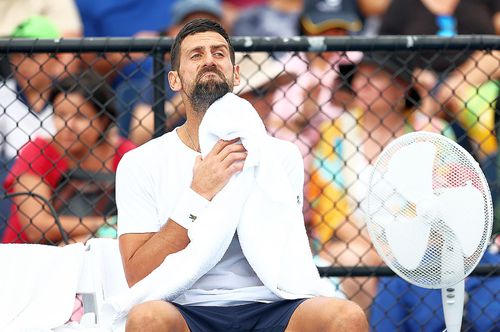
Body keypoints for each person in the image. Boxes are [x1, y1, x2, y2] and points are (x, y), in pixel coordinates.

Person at [116, 18, 368, 331]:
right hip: (185, 307)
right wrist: (198, 195)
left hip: (271, 304)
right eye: (196, 55)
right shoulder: (140, 162)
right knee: (146, 320)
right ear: (175, 80)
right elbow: (136, 274)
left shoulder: (280, 156)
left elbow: (285, 250)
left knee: (347, 318)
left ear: (236, 75)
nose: (209, 59)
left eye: (219, 53)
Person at [306, 52, 456, 313]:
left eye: (376, 76)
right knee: (356, 262)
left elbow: (448, 197)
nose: (362, 83)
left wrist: (402, 243)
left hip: (422, 239)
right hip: (353, 241)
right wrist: (380, 246)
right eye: (359, 76)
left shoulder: (433, 132)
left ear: (401, 86)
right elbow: (328, 200)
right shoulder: (335, 131)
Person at [1, 71, 135, 244]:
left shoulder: (126, 155)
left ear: (103, 121)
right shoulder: (38, 152)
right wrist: (105, 226)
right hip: (31, 257)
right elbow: (37, 226)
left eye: (80, 116)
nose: (67, 125)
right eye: (60, 115)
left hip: (100, 254)